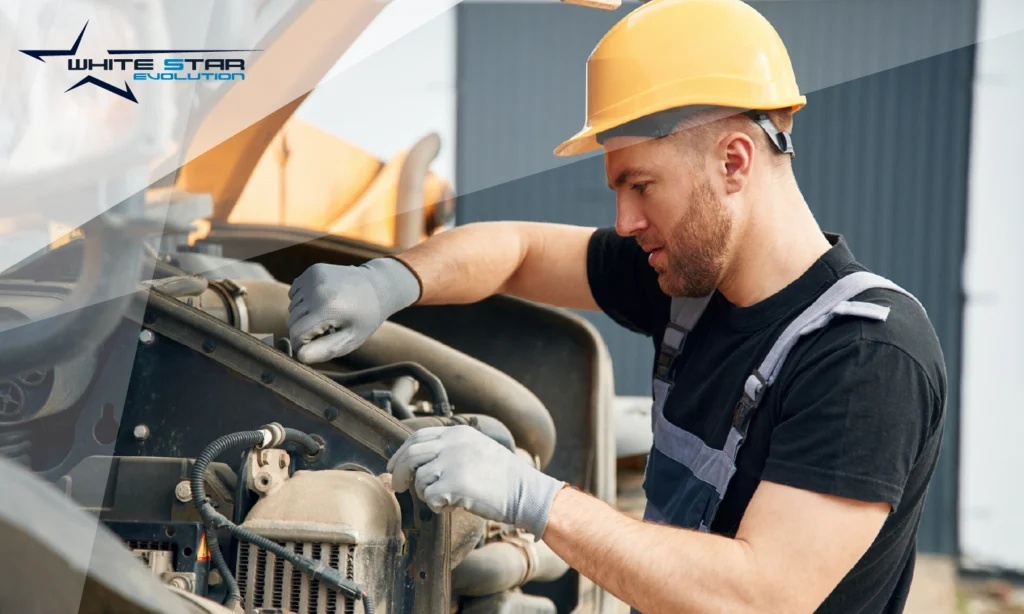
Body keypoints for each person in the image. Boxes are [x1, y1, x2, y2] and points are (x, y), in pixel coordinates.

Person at [285, 0, 947, 611]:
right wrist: (390, 281)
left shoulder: (865, 356)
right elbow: (517, 249)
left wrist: (533, 499)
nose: (625, 221)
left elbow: (759, 597)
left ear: (735, 162)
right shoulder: (692, 286)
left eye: (641, 184)